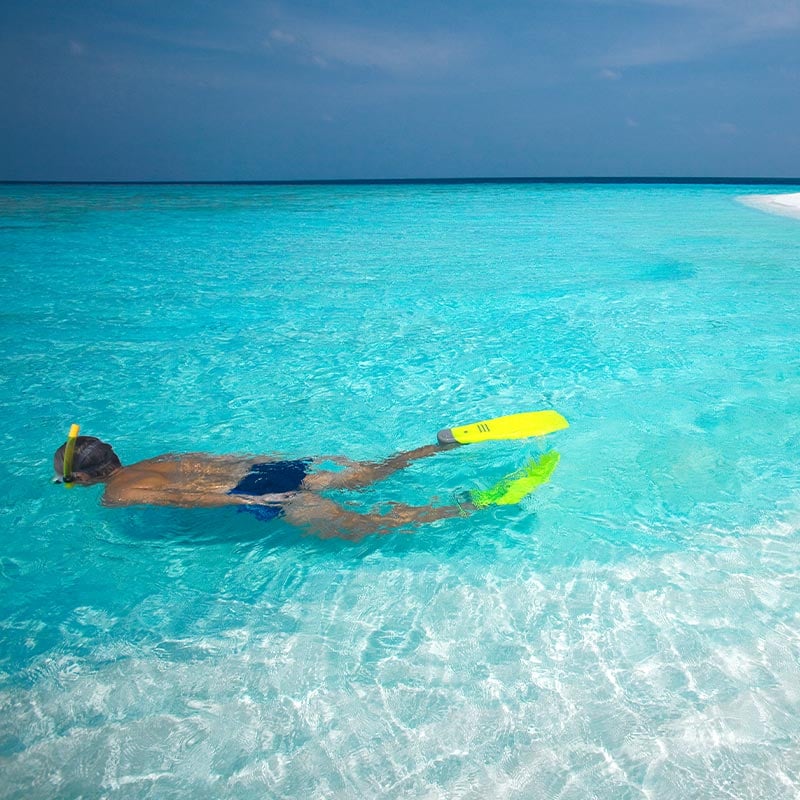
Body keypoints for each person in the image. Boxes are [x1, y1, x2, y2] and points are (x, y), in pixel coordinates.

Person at [53, 435, 559, 540]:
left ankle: (468, 508)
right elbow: (224, 461)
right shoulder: (161, 457)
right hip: (273, 468)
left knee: (359, 528)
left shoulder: (115, 493)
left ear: (81, 477)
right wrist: (293, 467)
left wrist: (255, 500)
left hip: (257, 492)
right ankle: (435, 447)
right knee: (374, 472)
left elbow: (182, 498)